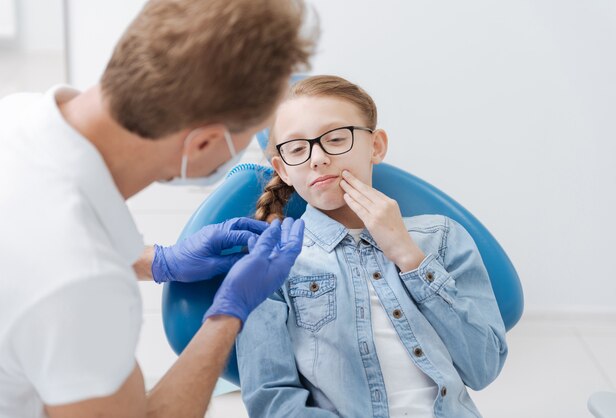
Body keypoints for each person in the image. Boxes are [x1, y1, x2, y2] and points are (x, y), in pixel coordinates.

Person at [0, 0, 317, 417]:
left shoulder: (16, 113)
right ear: (202, 143)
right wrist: (229, 312)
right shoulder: (83, 284)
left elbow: (31, 255)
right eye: (247, 139)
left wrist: (155, 261)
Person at [237, 75, 508, 418]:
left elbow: (482, 368)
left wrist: (409, 257)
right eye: (296, 149)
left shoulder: (440, 237)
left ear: (376, 146)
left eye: (336, 139)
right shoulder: (270, 263)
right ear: (283, 170)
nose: (317, 158)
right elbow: (272, 402)